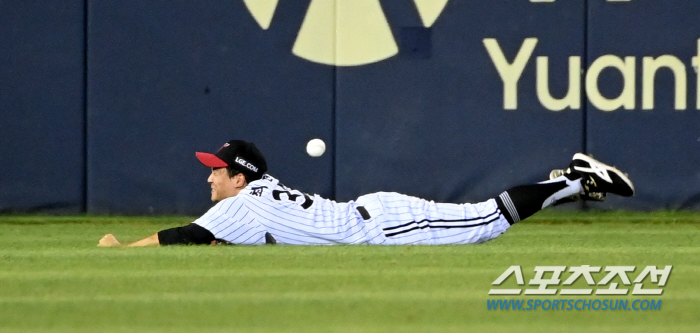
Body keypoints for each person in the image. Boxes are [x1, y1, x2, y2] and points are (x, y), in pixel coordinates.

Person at [98, 139, 634, 247]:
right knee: (483, 220)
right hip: (372, 216)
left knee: (486, 221)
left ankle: (572, 179)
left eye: (217, 171)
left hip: (383, 224)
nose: (209, 177)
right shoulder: (254, 199)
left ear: (241, 178)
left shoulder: (241, 204)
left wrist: (122, 253)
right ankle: (574, 182)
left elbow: (182, 237)